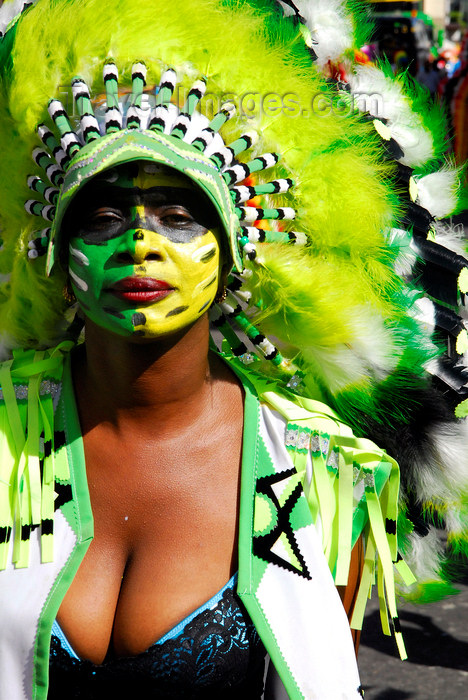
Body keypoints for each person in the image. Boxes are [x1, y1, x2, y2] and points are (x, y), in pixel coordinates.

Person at [0, 1, 467, 699]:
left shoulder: (318, 472)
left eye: (179, 216)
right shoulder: (5, 439)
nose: (139, 244)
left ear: (235, 254)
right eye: (100, 217)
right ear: (53, 250)